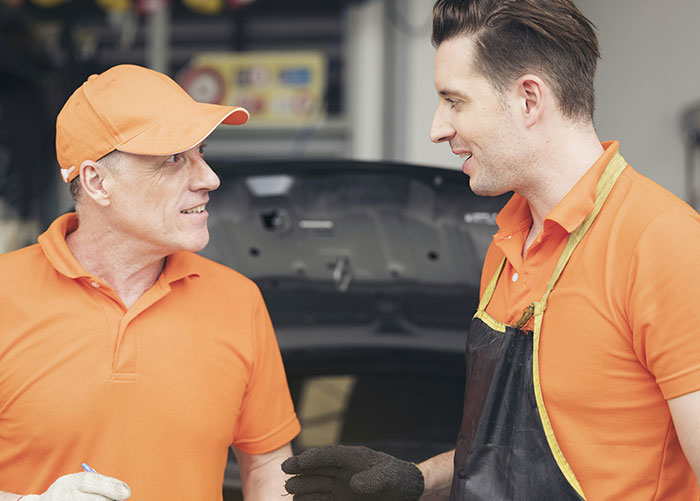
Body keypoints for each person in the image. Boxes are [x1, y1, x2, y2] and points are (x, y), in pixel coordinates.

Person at [282, 0, 700, 499]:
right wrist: (419, 480)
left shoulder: (663, 244)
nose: (438, 128)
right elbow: (508, 453)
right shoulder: (507, 244)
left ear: (529, 100)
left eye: (454, 101)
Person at [0, 64, 300, 501]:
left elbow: (269, 464)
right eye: (174, 159)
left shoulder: (238, 301)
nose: (209, 179)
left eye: (202, 153)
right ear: (97, 182)